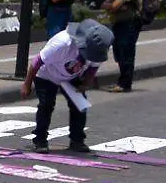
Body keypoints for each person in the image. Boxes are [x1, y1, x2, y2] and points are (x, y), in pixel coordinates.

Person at [21, 19, 110, 153]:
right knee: (46, 105)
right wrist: (27, 84)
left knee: (80, 105)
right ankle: (40, 140)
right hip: (47, 74)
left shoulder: (98, 48)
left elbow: (92, 69)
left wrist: (84, 85)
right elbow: (36, 62)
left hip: (72, 77)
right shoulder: (63, 43)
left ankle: (77, 140)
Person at [102, 0, 144, 93]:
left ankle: (125, 84)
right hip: (119, 24)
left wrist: (115, 6)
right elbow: (105, 5)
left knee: (126, 53)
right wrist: (117, 6)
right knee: (119, 52)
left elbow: (113, 7)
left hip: (129, 25)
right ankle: (122, 82)